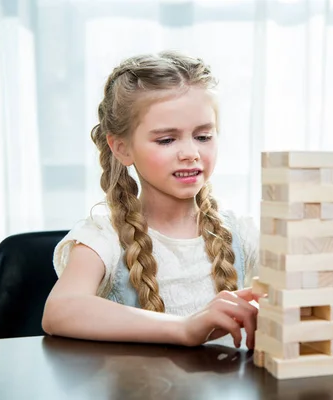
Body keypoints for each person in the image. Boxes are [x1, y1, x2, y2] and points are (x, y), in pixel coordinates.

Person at [42, 51, 260, 350]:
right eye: (167, 140)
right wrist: (185, 328)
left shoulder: (243, 233)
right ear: (121, 148)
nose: (190, 153)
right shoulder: (103, 238)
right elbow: (60, 311)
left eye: (203, 136)